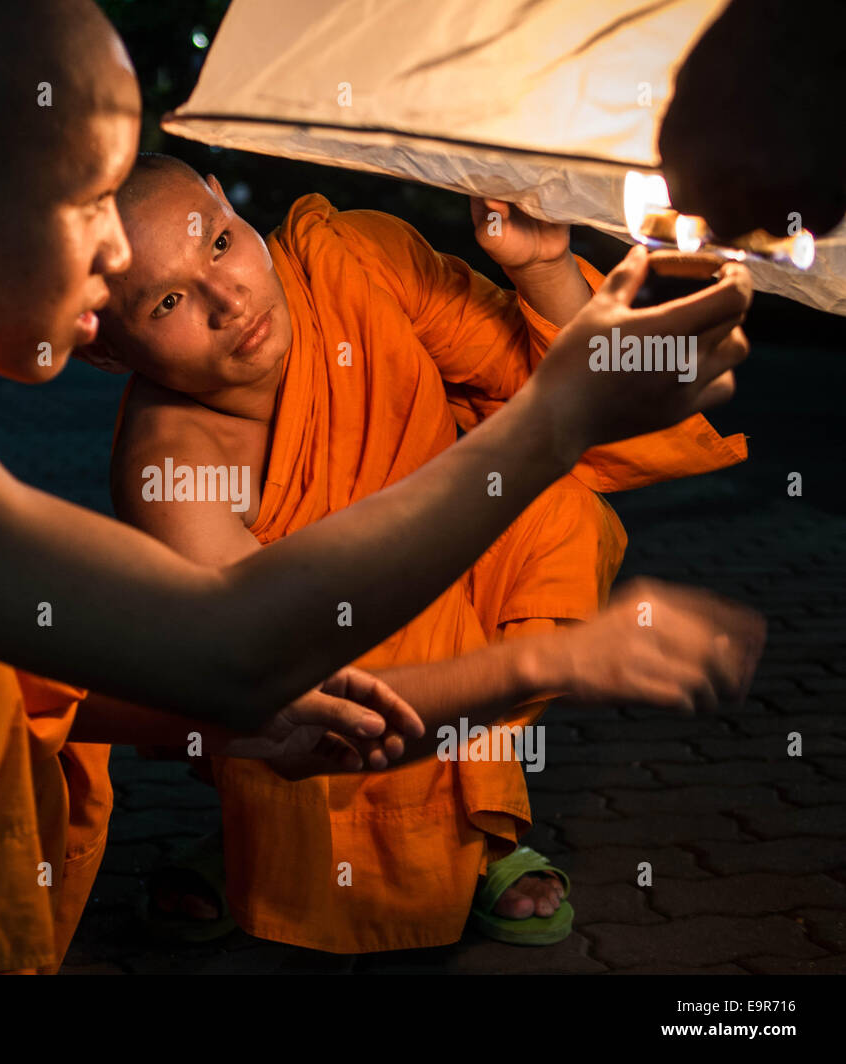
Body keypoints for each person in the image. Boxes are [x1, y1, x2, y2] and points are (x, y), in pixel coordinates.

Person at [0, 1, 759, 973]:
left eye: (207, 235)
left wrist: (221, 720)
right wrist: (555, 440)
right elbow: (217, 647)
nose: (125, 256)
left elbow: (102, 658)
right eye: (90, 206)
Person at [88, 154, 763, 951]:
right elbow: (274, 689)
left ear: (221, 198)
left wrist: (544, 268)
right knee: (284, 733)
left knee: (558, 516)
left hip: (442, 580)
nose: (228, 301)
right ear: (102, 346)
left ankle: (476, 830)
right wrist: (558, 660)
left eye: (221, 245)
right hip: (319, 671)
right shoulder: (173, 470)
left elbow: (552, 388)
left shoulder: (354, 260)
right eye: (167, 301)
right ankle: (252, 840)